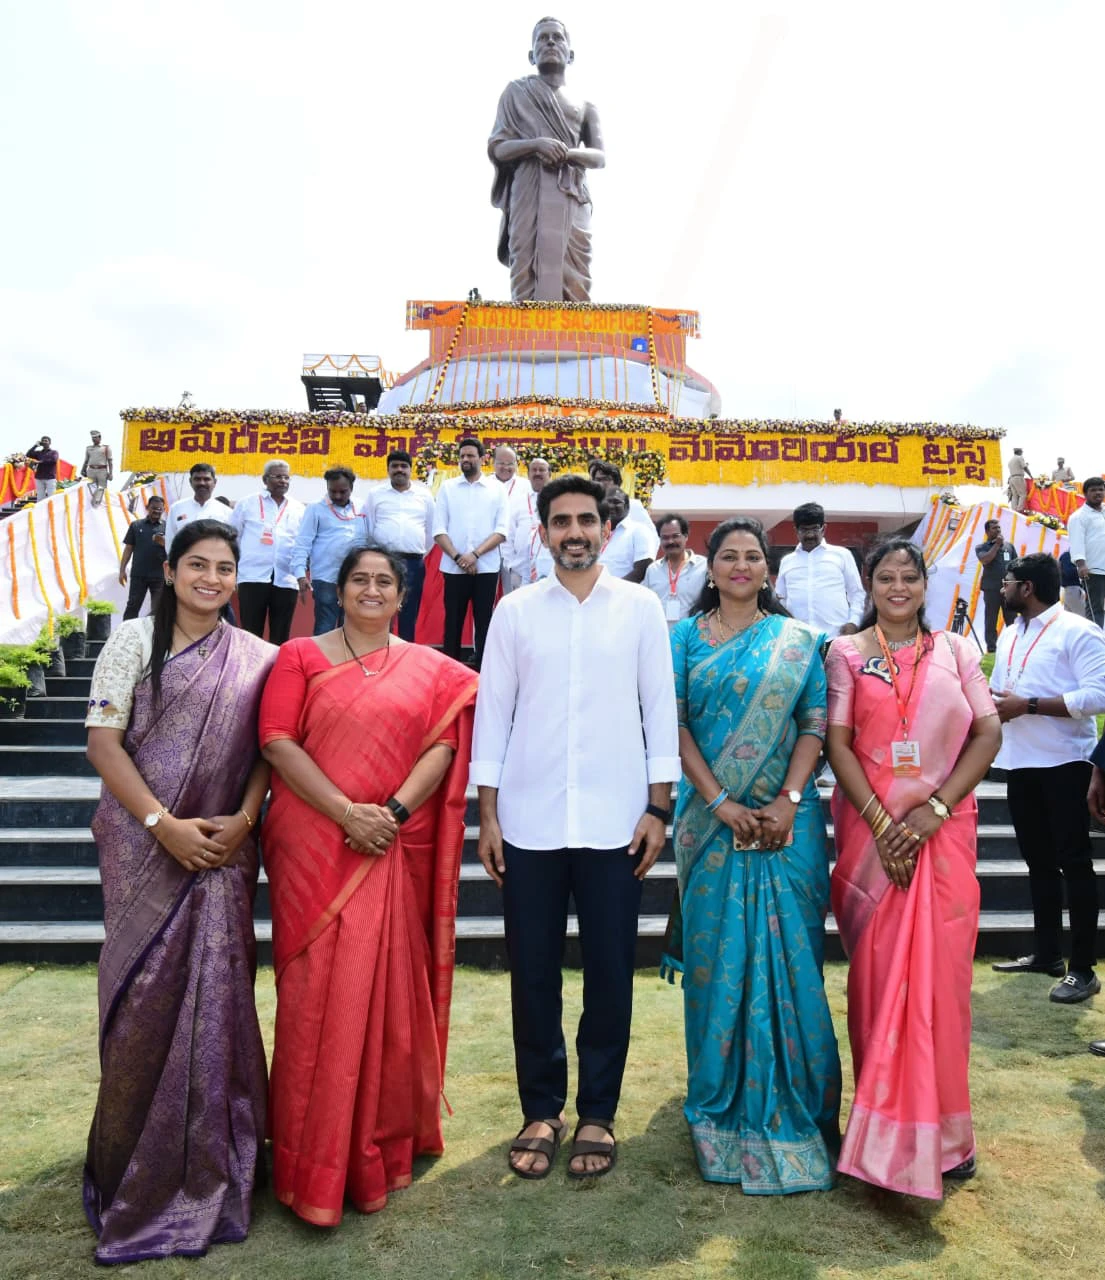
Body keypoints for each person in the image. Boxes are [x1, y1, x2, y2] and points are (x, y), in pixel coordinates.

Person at [259, 546, 477, 1225]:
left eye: (385, 581)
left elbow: (441, 747)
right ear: (340, 588)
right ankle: (308, 1158)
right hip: (313, 841)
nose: (373, 589)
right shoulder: (299, 656)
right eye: (360, 579)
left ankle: (379, 1142)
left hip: (387, 842)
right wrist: (345, 812)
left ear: (403, 593)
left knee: (377, 993)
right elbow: (275, 741)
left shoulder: (435, 670)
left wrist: (391, 815)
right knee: (312, 996)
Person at [471, 474, 679, 1180]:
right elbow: (491, 715)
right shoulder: (516, 611)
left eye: (586, 520)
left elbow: (660, 708)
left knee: (610, 975)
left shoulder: (641, 608)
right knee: (531, 975)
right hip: (527, 822)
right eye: (560, 521)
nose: (574, 532)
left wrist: (658, 808)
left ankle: (597, 1112)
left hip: (618, 823)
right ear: (542, 531)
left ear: (607, 528)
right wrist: (489, 813)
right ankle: (540, 1109)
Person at [83, 520, 276, 1263]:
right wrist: (164, 825)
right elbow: (104, 743)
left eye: (224, 568)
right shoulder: (133, 643)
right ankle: (132, 1165)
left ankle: (217, 1164)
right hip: (144, 846)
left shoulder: (256, 658)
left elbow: (265, 751)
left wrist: (245, 819)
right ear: (169, 572)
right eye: (197, 565)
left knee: (220, 1000)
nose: (211, 579)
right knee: (140, 1003)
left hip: (222, 850)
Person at [661, 516, 841, 1193]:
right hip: (708, 825)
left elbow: (814, 723)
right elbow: (671, 723)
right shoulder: (679, 638)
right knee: (717, 968)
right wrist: (719, 803)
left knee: (793, 962)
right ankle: (719, 1110)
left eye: (751, 557)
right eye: (728, 556)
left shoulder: (800, 641)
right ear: (710, 570)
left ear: (769, 570)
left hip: (787, 823)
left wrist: (789, 800)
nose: (740, 566)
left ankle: (797, 1103)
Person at [826, 539, 1000, 1197]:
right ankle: (879, 1136)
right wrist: (879, 821)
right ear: (868, 583)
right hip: (872, 849)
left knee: (941, 991)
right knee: (875, 989)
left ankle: (948, 1141)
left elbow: (986, 732)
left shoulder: (957, 652)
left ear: (925, 583)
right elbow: (838, 743)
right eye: (885, 577)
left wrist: (933, 807)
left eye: (909, 576)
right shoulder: (845, 653)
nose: (897, 587)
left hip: (943, 838)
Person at [990, 552, 1105, 1002]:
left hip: (1065, 763)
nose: (1002, 587)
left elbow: (1098, 695)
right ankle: (1046, 954)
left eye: (1009, 581)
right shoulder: (1011, 633)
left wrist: (1030, 705)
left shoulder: (1079, 631)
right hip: (1019, 762)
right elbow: (1001, 693)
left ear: (1028, 588)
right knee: (1037, 863)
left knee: (1074, 865)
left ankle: (1083, 968)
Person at [488, 17, 605, 302]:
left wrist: (569, 153)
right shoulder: (516, 93)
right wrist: (535, 145)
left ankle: (572, 340)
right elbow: (498, 147)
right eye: (542, 38)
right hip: (528, 190)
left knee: (575, 274)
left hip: (571, 193)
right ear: (531, 55)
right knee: (525, 266)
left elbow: (599, 156)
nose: (550, 42)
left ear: (571, 54)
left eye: (557, 38)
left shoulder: (586, 105)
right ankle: (527, 337)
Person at [432, 437, 508, 669]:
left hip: (486, 568)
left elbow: (502, 531)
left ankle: (484, 672)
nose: (465, 460)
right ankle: (449, 671)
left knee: (484, 621)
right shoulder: (447, 488)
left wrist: (473, 555)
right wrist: (459, 558)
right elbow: (438, 530)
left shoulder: (497, 489)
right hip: (453, 568)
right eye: (462, 456)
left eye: (470, 456)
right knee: (452, 622)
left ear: (482, 459)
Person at [363, 448, 436, 642]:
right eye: (394, 466)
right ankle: (378, 651)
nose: (399, 470)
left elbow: (431, 532)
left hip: (413, 562)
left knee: (408, 611)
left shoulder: (424, 495)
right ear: (388, 469)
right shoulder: (375, 494)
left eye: (404, 466)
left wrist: (416, 551)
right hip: (382, 562)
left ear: (410, 470)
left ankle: (405, 653)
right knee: (381, 607)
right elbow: (368, 527)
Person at [230, 460, 304, 645]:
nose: (283, 481)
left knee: (280, 634)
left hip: (286, 578)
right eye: (278, 476)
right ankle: (249, 672)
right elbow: (233, 537)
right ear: (265, 479)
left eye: (286, 477)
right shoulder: (247, 503)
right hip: (252, 575)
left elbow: (303, 543)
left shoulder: (298, 508)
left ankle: (277, 672)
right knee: (250, 633)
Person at [291, 466, 364, 635]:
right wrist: (301, 575)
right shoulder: (315, 509)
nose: (337, 496)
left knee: (352, 624)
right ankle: (321, 661)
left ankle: (347, 661)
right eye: (333, 491)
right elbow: (302, 543)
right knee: (325, 625)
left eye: (343, 491)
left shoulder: (362, 508)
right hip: (326, 577)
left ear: (351, 488)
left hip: (355, 576)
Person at [775, 503, 865, 639]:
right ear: (796, 530)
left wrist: (854, 622)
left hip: (836, 637)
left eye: (815, 529)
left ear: (824, 529)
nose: (810, 535)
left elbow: (857, 593)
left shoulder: (842, 555)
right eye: (804, 530)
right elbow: (780, 599)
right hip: (798, 640)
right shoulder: (787, 561)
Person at [644, 513, 707, 628]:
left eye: (675, 536)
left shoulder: (703, 566)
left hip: (693, 636)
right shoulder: (653, 570)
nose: (670, 541)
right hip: (660, 635)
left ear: (686, 536)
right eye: (665, 538)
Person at [588, 459, 660, 558]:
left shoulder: (632, 505)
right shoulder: (589, 508)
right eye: (597, 480)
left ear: (616, 483)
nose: (600, 483)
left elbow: (652, 538)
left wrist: (641, 563)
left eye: (605, 479)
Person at [504, 456, 553, 587]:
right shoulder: (516, 501)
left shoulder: (559, 501)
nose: (537, 473)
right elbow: (507, 535)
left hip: (550, 571)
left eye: (541, 470)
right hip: (519, 572)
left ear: (549, 474)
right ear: (528, 474)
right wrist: (509, 565)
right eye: (534, 470)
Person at [165, 463, 234, 552]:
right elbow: (170, 541)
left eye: (206, 479)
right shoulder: (177, 508)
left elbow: (230, 543)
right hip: (185, 562)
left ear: (215, 482)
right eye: (197, 479)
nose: (202, 483)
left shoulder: (226, 512)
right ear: (190, 481)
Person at [118, 495, 166, 620]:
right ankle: (125, 634)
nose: (157, 511)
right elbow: (128, 548)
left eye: (160, 509)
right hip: (139, 574)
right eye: (154, 508)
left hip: (159, 575)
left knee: (158, 608)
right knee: (133, 605)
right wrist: (122, 570)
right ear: (147, 508)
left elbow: (174, 549)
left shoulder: (167, 527)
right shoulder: (136, 525)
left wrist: (164, 543)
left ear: (164, 510)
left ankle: (155, 636)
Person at [973, 517, 1017, 651]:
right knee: (991, 618)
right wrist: (997, 545)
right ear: (987, 531)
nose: (998, 530)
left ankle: (1013, 646)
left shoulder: (1009, 546)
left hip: (1008, 588)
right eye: (994, 528)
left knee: (1012, 618)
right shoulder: (981, 547)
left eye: (999, 528)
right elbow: (985, 560)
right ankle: (992, 648)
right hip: (991, 589)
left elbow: (1016, 564)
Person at [492, 446, 531, 594]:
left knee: (513, 596)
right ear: (493, 463)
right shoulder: (485, 484)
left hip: (516, 554)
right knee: (486, 599)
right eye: (501, 463)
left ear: (516, 464)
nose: (505, 467)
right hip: (487, 552)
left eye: (510, 464)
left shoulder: (526, 486)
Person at [1067, 476, 1105, 627]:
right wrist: (1081, 565)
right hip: (1093, 570)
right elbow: (1076, 543)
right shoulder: (1078, 517)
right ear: (1085, 494)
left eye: (1101, 489)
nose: (1098, 493)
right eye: (1093, 490)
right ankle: (1095, 643)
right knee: (1095, 608)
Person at [599, 488, 653, 582]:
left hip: (624, 594)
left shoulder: (639, 530)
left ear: (627, 506)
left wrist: (616, 589)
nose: (611, 506)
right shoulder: (598, 532)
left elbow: (643, 569)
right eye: (608, 502)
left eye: (616, 502)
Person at [81, 431, 114, 506]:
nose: (94, 439)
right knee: (90, 489)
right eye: (92, 438)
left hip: (102, 471)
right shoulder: (89, 448)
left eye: (95, 437)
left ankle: (97, 506)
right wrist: (83, 469)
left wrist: (111, 473)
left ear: (100, 438)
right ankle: (90, 506)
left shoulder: (106, 448)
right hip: (91, 470)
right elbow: (86, 460)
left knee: (101, 489)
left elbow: (110, 461)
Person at [26, 435, 59, 500]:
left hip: (50, 478)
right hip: (39, 477)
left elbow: (53, 460)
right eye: (43, 441)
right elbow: (28, 454)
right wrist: (35, 445)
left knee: (52, 497)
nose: (44, 442)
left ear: (50, 443)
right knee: (40, 498)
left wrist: (40, 462)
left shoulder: (54, 452)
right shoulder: (38, 453)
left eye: (46, 441)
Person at [1007, 447, 1030, 512]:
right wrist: (1031, 475)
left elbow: (1018, 467)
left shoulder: (1010, 460)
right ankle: (1019, 509)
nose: (1022, 453)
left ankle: (1014, 510)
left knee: (1015, 495)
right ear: (1019, 452)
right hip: (1018, 477)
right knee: (1023, 494)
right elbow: (1025, 468)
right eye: (1022, 452)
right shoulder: (1019, 458)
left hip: (1012, 478)